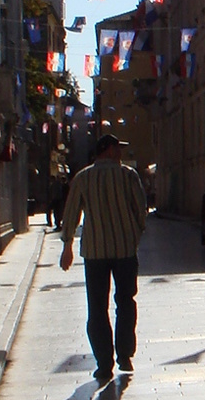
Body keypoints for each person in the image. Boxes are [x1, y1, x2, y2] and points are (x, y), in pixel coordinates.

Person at [59, 133, 147, 383]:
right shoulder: (128, 175)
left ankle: (104, 361)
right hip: (125, 250)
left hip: (95, 251)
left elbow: (72, 212)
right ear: (108, 149)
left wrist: (67, 246)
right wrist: (134, 234)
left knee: (97, 307)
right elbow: (140, 209)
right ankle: (125, 353)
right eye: (118, 148)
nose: (121, 153)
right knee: (126, 301)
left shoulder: (83, 177)